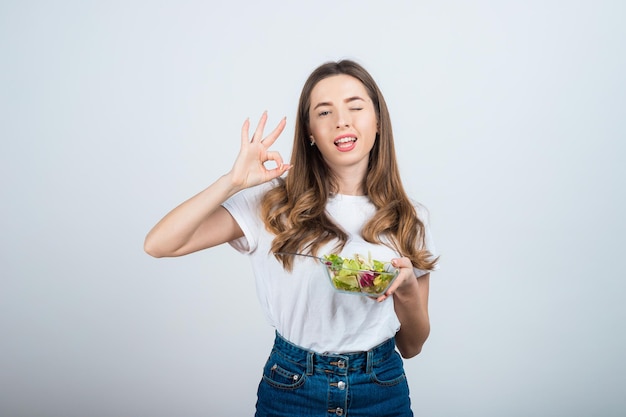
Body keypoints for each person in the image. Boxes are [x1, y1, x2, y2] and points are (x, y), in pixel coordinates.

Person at [144, 59, 438, 417]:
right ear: (310, 132)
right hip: (293, 387)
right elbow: (159, 244)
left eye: (355, 107)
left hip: (381, 388)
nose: (342, 120)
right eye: (324, 112)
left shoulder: (411, 218)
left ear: (378, 121)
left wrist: (406, 289)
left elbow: (412, 346)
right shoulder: (272, 203)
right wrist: (232, 181)